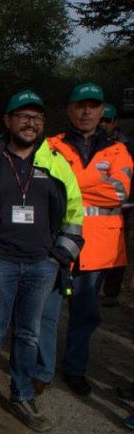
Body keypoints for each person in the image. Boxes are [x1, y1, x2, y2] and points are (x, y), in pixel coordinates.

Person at [0, 90, 83, 433]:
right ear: (8, 120)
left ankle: (22, 395)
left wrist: (57, 258)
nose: (31, 123)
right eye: (23, 116)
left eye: (37, 118)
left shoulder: (56, 163)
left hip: (42, 265)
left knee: (28, 335)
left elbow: (74, 215)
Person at [36, 83, 132, 397]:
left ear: (102, 111)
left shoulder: (119, 151)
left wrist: (67, 181)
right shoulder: (51, 145)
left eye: (93, 105)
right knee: (45, 310)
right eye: (80, 105)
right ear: (69, 110)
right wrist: (97, 183)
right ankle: (42, 370)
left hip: (98, 249)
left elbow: (120, 192)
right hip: (56, 243)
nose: (87, 111)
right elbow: (40, 185)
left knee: (85, 313)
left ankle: (75, 369)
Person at [99, 102, 134, 308]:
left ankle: (111, 292)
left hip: (122, 207)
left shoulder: (128, 146)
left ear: (115, 122)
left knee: (117, 248)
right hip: (92, 206)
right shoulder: (88, 144)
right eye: (101, 120)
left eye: (107, 120)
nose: (103, 124)